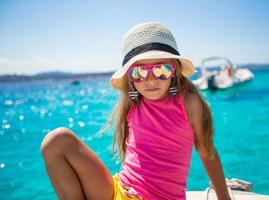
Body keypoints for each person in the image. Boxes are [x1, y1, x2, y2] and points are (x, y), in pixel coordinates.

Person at [40, 22, 231, 200]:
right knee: (56, 140)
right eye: (139, 72)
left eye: (161, 70)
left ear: (174, 71)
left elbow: (207, 152)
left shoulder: (189, 102)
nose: (150, 80)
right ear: (129, 77)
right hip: (119, 190)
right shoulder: (134, 101)